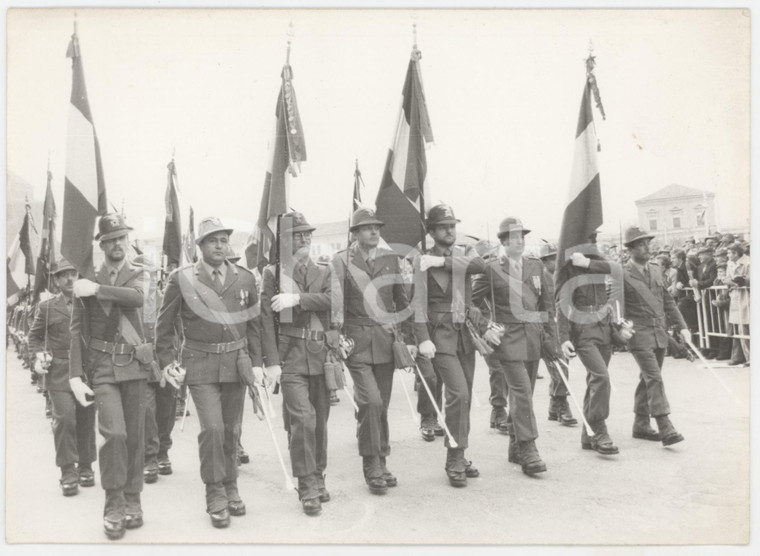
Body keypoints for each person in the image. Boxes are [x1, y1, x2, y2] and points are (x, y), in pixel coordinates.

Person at [155, 217, 264, 529]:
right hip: (200, 364)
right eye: (212, 240)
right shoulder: (182, 279)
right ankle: (215, 492)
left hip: (236, 363)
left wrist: (256, 363)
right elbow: (164, 326)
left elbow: (254, 324)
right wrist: (166, 362)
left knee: (231, 431)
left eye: (223, 239)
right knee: (213, 429)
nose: (219, 245)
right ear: (199, 246)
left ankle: (231, 486)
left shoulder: (244, 279)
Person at [68, 213, 151, 540]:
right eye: (111, 240)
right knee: (114, 434)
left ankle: (133, 498)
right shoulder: (84, 276)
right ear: (101, 245)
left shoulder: (136, 273)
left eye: (122, 238)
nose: (118, 244)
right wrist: (75, 374)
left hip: (133, 363)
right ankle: (114, 502)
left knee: (135, 436)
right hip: (102, 367)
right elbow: (76, 330)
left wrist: (97, 289)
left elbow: (137, 299)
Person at [331, 207, 413, 494]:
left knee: (381, 406)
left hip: (386, 340)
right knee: (371, 402)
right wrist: (336, 340)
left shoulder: (391, 259)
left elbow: (401, 301)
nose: (374, 231)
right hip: (356, 341)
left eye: (377, 227)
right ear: (355, 233)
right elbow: (336, 305)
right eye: (367, 228)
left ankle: (382, 457)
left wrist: (410, 335)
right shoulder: (341, 262)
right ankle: (371, 464)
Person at [260, 212, 333, 515]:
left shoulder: (325, 271)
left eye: (308, 234)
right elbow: (264, 319)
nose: (304, 239)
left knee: (320, 421)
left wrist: (297, 299)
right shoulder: (273, 273)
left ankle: (318, 474)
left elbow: (331, 301)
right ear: (285, 241)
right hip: (289, 354)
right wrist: (271, 362)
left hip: (319, 353)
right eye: (297, 235)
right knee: (303, 418)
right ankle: (306, 483)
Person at [472, 217, 555, 476]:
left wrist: (551, 339)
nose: (519, 241)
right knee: (520, 391)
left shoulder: (536, 266)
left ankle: (515, 446)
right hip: (506, 339)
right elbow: (472, 303)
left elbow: (547, 306)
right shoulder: (491, 268)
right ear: (504, 242)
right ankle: (529, 448)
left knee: (525, 393)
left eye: (522, 236)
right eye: (513, 237)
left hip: (533, 337)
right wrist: (486, 327)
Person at [410, 204, 485, 487]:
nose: (450, 231)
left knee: (463, 398)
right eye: (444, 227)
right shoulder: (421, 260)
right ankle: (454, 457)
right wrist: (422, 338)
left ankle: (459, 451)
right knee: (459, 394)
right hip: (439, 335)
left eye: (453, 226)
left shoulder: (464, 254)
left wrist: (441, 263)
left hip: (465, 334)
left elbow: (481, 266)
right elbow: (417, 303)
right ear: (431, 231)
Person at [28, 258, 96, 497]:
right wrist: (39, 355)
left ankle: (86, 466)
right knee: (66, 419)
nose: (69, 279)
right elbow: (34, 337)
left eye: (74, 273)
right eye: (63, 275)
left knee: (86, 418)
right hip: (59, 373)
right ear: (56, 280)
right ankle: (67, 471)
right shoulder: (47, 307)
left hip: (86, 370)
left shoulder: (90, 303)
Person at [620, 226, 690, 446]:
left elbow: (668, 301)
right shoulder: (622, 273)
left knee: (647, 378)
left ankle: (640, 424)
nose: (647, 247)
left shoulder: (656, 269)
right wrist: (620, 330)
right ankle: (664, 424)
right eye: (641, 244)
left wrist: (683, 327)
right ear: (630, 249)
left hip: (658, 333)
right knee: (654, 377)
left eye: (648, 243)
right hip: (638, 334)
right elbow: (616, 306)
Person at [555, 230, 619, 455]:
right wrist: (563, 338)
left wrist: (589, 263)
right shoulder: (567, 268)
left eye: (594, 240)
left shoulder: (598, 262)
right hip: (582, 330)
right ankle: (600, 429)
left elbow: (616, 269)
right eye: (588, 240)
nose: (593, 243)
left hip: (604, 328)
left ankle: (588, 434)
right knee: (601, 378)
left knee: (595, 380)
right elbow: (562, 303)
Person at [138, 254, 177, 484]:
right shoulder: (131, 302)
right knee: (147, 411)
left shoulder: (167, 298)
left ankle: (163, 451)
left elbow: (179, 329)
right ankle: (149, 457)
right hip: (142, 366)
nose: (149, 281)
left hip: (166, 363)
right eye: (144, 277)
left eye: (153, 276)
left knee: (167, 410)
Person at [538, 242, 577, 426]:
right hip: (545, 327)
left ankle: (555, 406)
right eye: (554, 258)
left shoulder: (561, 276)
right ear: (545, 261)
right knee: (559, 366)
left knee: (561, 365)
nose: (558, 261)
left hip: (560, 327)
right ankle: (562, 404)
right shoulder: (539, 278)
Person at [726, 243, 750, 365]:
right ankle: (743, 356)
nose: (727, 255)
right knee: (738, 327)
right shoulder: (729, 263)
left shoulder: (748, 262)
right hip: (736, 297)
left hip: (747, 298)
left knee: (746, 327)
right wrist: (733, 283)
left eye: (729, 253)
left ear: (736, 253)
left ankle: (751, 357)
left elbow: (749, 280)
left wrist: (741, 281)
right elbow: (726, 278)